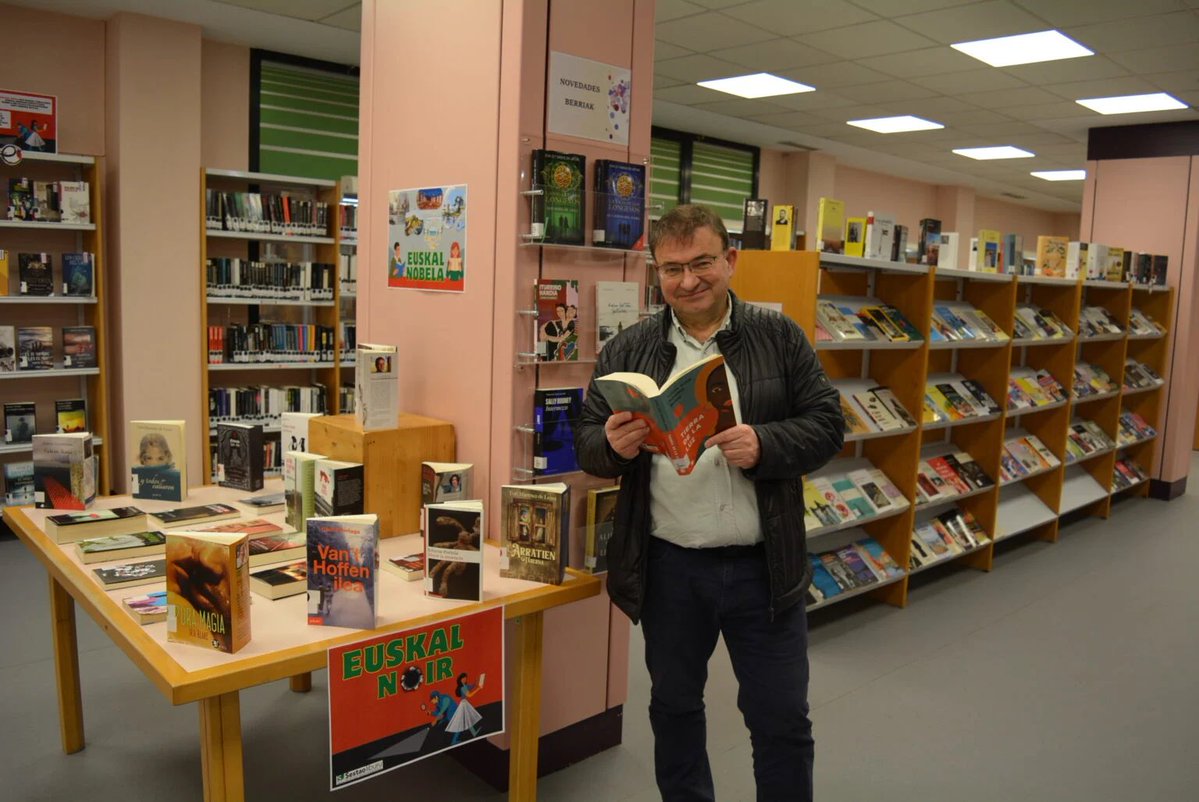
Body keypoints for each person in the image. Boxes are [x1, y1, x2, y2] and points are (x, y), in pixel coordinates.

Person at [576, 203, 843, 801]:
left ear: (731, 259)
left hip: (763, 566)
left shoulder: (779, 337)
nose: (688, 280)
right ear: (656, 273)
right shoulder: (629, 349)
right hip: (670, 566)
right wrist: (614, 448)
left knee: (781, 720)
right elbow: (588, 443)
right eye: (672, 269)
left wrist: (766, 443)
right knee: (673, 709)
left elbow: (828, 424)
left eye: (701, 263)